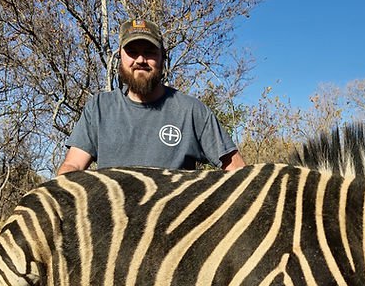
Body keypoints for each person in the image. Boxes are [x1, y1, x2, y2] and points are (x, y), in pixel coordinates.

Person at [58, 19, 245, 175]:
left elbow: (236, 168)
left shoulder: (192, 110)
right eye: (132, 52)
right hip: (111, 218)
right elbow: (73, 166)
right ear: (120, 57)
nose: (140, 60)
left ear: (163, 57)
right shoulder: (99, 107)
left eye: (149, 52)